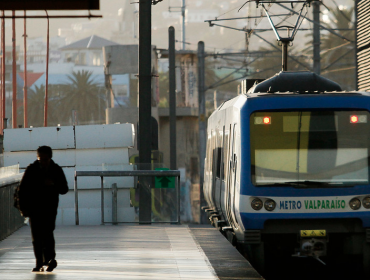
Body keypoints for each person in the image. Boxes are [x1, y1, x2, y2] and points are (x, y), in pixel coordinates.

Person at [18, 146, 68, 272]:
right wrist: (23, 208)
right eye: (41, 159)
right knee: (37, 236)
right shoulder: (32, 169)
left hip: (49, 208)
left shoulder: (55, 170)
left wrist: (53, 184)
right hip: (34, 208)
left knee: (47, 234)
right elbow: (22, 190)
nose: (43, 162)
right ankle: (41, 262)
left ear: (50, 158)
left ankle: (49, 259)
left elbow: (64, 189)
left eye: (45, 159)